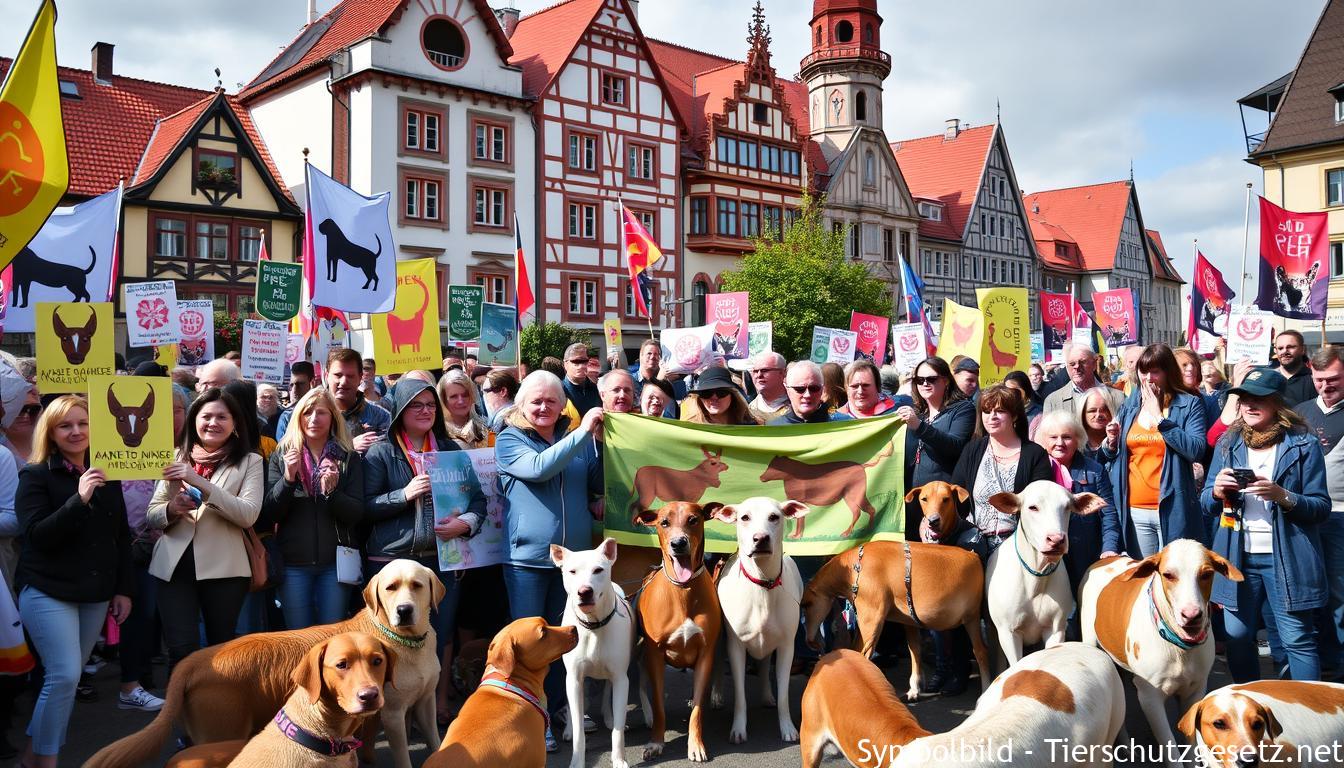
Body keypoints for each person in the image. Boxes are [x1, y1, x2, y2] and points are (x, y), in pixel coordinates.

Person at [14, 395, 133, 768]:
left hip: (95, 593)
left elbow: (121, 537)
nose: (76, 431)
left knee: (65, 680)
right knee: (64, 676)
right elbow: (36, 536)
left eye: (82, 423)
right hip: (47, 589)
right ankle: (47, 763)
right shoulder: (35, 476)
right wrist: (78, 500)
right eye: (66, 425)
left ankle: (30, 757)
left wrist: (123, 588)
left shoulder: (106, 473)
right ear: (50, 432)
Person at [363, 377, 486, 721]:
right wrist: (403, 495)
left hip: (442, 558)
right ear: (401, 410)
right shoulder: (381, 453)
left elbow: (478, 499)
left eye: (431, 405)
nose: (425, 411)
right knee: (392, 637)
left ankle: (439, 703)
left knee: (441, 633)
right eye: (416, 405)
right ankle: (393, 710)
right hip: (392, 559)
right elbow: (364, 507)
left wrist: (468, 523)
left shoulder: (450, 451)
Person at [495, 371, 603, 747]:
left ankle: (560, 707)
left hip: (575, 566)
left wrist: (601, 450)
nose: (543, 407)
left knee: (566, 640)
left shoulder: (578, 440)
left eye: (551, 401)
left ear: (562, 406)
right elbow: (539, 469)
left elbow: (595, 483)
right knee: (528, 646)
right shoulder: (509, 439)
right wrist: (581, 434)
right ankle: (533, 714)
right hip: (527, 560)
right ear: (521, 404)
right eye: (535, 401)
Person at [1204, 367, 1331, 682]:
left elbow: (1320, 506)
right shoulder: (1228, 443)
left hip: (1286, 557)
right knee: (1237, 637)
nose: (1248, 405)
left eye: (1258, 399)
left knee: (1297, 640)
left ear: (1277, 403)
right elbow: (1206, 502)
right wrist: (1217, 491)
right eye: (1244, 398)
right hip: (1236, 557)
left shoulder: (1303, 443)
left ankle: (1305, 718)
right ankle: (1251, 705)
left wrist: (1283, 496)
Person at [146, 388, 264, 673]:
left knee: (220, 650)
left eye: (222, 417)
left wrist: (200, 482)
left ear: (235, 423)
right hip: (173, 569)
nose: (213, 423)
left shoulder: (251, 461)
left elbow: (248, 514)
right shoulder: (176, 456)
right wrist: (172, 509)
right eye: (206, 416)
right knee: (181, 649)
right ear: (193, 421)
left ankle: (215, 713)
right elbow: (152, 514)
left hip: (226, 571)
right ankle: (180, 714)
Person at [263, 388, 365, 630]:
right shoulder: (282, 455)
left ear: (332, 418)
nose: (313, 419)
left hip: (335, 565)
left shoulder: (347, 458)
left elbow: (356, 514)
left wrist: (332, 494)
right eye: (307, 412)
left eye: (321, 413)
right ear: (298, 417)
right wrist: (288, 480)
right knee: (299, 638)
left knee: (333, 637)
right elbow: (270, 513)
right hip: (293, 565)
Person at [1100, 343, 1209, 558]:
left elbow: (1196, 450)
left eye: (1155, 371)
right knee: (1143, 578)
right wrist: (1111, 443)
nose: (1148, 378)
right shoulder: (1130, 406)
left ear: (1168, 373)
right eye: (1143, 371)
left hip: (1173, 508)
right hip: (1135, 509)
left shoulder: (1189, 405)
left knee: (1173, 577)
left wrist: (1160, 419)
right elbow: (1113, 456)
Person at [951, 384, 1054, 558]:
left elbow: (1041, 504)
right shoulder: (972, 450)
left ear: (1014, 415)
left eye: (999, 411)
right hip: (974, 547)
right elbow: (956, 494)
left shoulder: (1035, 454)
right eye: (986, 411)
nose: (992, 417)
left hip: (1020, 549)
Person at [1035, 410, 1117, 597]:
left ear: (1078, 439)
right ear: (1043, 440)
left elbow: (1109, 514)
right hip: (1048, 554)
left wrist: (1109, 547)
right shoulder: (1036, 472)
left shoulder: (1095, 470)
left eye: (1066, 437)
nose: (1059, 443)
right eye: (1053, 437)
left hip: (1086, 553)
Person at [1300, 346, 1344, 677]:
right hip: (1304, 513)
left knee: (1339, 595)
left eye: (1334, 379)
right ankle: (1323, 661)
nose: (1326, 386)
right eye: (1319, 380)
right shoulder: (1298, 414)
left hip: (1340, 517)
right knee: (1311, 593)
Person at [897, 357, 974, 538]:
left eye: (931, 379)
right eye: (919, 380)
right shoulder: (919, 415)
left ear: (946, 380)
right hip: (914, 506)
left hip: (944, 507)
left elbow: (955, 446)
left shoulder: (962, 409)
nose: (924, 384)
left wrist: (919, 427)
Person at [275, 349, 391, 453]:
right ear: (326, 375)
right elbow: (288, 458)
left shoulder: (380, 417)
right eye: (338, 375)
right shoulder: (294, 417)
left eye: (350, 376)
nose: (344, 381)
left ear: (360, 377)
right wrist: (348, 447)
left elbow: (386, 457)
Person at [767, 361, 853, 425]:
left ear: (822, 390)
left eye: (814, 388)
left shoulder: (844, 425)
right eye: (800, 389)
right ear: (787, 390)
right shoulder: (774, 429)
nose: (807, 395)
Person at [680, 367, 757, 425]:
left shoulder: (750, 427)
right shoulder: (689, 429)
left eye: (721, 392)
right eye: (706, 393)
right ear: (700, 398)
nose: (714, 398)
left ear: (732, 396)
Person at [1043, 344, 1105, 414]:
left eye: (1083, 362)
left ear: (1094, 364)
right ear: (1066, 367)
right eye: (1072, 364)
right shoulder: (1052, 402)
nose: (1077, 367)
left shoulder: (1115, 397)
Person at [438, 369, 490, 449]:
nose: (461, 401)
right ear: (443, 400)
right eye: (454, 396)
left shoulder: (485, 428)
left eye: (465, 395)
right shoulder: (437, 433)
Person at [1073, 385, 1126, 462]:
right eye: (1092, 411)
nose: (1098, 415)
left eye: (1104, 410)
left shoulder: (1121, 443)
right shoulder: (1074, 447)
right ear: (1083, 413)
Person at [1273, 330, 1315, 408]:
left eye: (1290, 347)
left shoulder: (1315, 379)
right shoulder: (1268, 379)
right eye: (1280, 348)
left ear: (1302, 349)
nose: (1285, 351)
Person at [747, 351, 790, 424]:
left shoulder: (798, 405)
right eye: (755, 371)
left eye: (765, 370)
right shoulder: (747, 409)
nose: (759, 375)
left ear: (782, 373)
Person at [560, 343, 601, 414]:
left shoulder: (597, 389)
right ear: (565, 364)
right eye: (576, 362)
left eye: (584, 361)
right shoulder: (559, 391)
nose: (581, 366)